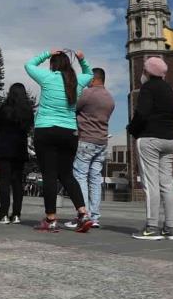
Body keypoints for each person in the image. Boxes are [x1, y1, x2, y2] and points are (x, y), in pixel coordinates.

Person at [24, 49, 95, 233]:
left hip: (46, 130)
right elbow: (90, 74)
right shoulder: (77, 81)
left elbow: (29, 65)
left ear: (53, 65)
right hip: (69, 132)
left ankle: (51, 219)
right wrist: (82, 59)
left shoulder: (47, 78)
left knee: (49, 175)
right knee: (67, 174)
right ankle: (83, 213)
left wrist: (47, 53)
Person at [128, 57, 173, 241]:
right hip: (169, 140)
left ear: (148, 72)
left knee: (151, 184)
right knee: (167, 183)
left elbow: (142, 113)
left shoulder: (148, 88)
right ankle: (170, 227)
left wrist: (132, 129)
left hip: (150, 138)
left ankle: (151, 227)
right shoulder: (169, 90)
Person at [72, 67, 115, 229]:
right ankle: (95, 216)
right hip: (102, 141)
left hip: (86, 139)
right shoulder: (110, 98)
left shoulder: (88, 93)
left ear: (93, 79)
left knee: (80, 176)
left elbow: (73, 107)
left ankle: (84, 215)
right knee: (95, 179)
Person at [0, 83, 34, 224]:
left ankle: (3, 213)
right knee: (17, 182)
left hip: (4, 147)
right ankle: (16, 214)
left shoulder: (5, 108)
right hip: (19, 148)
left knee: (5, 181)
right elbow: (29, 127)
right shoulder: (27, 111)